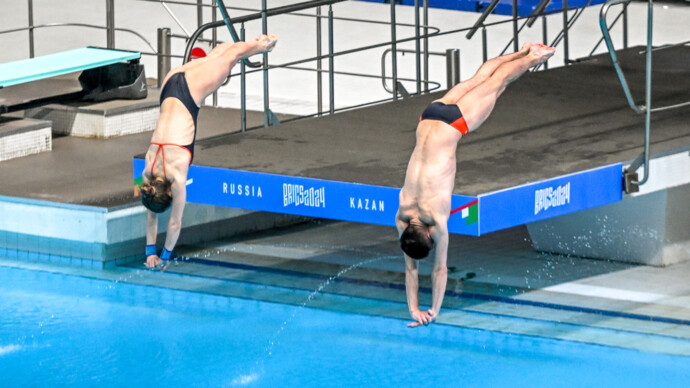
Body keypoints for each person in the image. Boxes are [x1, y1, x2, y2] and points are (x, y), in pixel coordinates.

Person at [395, 43, 555, 327]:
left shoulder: (437, 221)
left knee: (498, 82)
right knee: (480, 81)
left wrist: (431, 311)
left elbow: (438, 270)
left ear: (430, 235)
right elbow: (409, 263)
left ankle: (533, 57)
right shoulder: (402, 215)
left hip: (452, 127)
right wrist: (412, 308)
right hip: (429, 118)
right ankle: (524, 51)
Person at [140, 34, 278, 270]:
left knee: (233, 56)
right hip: (169, 84)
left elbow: (174, 224)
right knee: (221, 55)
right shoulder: (146, 170)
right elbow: (148, 209)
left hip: (189, 94)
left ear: (170, 195)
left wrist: (164, 257)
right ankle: (230, 49)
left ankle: (262, 44)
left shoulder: (178, 179)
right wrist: (149, 251)